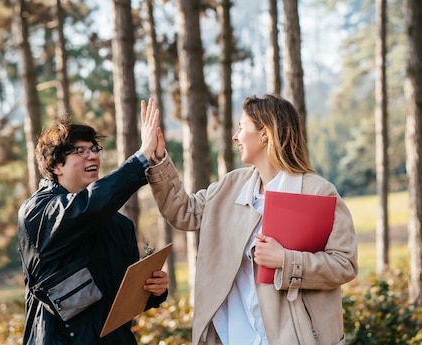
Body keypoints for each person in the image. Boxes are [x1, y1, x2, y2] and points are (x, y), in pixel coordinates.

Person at [145, 94, 358, 345]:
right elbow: (183, 211)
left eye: (241, 127)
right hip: (231, 336)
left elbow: (345, 263)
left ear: (265, 133)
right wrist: (159, 160)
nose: (235, 137)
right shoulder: (231, 186)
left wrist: (286, 260)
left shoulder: (318, 192)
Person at [18, 99, 169, 345]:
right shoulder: (37, 213)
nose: (92, 156)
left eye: (94, 149)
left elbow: (126, 297)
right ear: (56, 165)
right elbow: (85, 208)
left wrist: (154, 290)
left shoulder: (120, 225)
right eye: (80, 151)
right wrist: (141, 159)